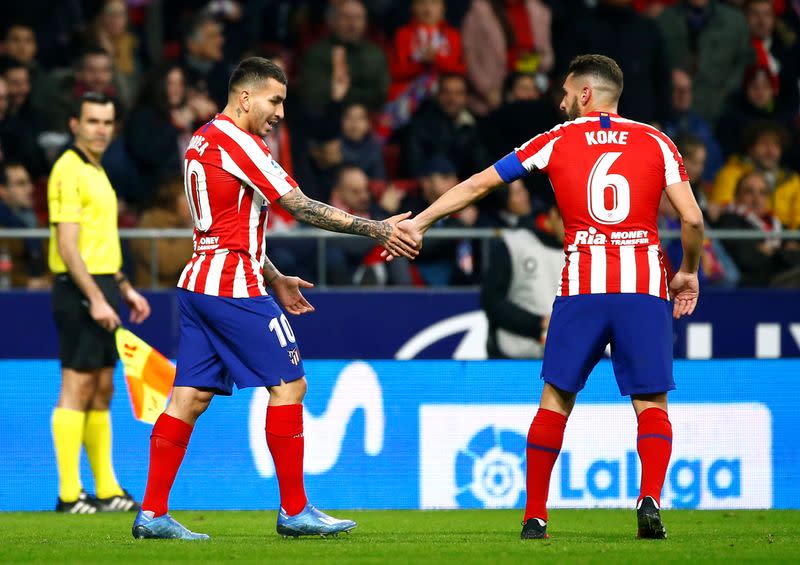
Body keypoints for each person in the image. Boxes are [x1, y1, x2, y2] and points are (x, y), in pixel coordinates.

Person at [393, 54, 704, 539]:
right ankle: (650, 499)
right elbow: (693, 219)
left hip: (581, 285)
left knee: (555, 400)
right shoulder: (657, 140)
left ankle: (535, 514)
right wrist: (688, 271)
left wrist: (420, 221)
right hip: (644, 286)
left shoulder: (556, 140)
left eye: (564, 93)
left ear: (585, 94)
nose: (560, 102)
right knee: (651, 404)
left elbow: (479, 184)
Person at [132, 57, 417, 540]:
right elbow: (299, 205)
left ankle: (152, 514)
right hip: (233, 287)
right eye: (274, 100)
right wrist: (379, 228)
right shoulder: (241, 143)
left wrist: (276, 275)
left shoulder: (203, 138)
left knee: (189, 397)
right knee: (290, 386)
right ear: (245, 97)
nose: (280, 112)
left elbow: (228, 227)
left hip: (200, 281)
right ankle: (295, 510)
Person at [48, 91, 152, 514]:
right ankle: (69, 494)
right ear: (75, 124)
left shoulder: (97, 171)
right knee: (77, 384)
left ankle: (106, 489)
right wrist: (94, 298)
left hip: (104, 285)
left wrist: (123, 288)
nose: (101, 130)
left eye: (107, 123)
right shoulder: (67, 170)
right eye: (93, 121)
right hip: (78, 290)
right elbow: (68, 247)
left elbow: (98, 242)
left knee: (102, 387)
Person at [481, 204, 564, 359]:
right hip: (514, 357)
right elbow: (492, 301)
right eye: (570, 223)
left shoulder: (582, 249)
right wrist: (538, 323)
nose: (575, 231)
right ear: (553, 214)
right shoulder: (514, 244)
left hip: (562, 357)